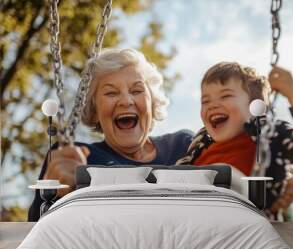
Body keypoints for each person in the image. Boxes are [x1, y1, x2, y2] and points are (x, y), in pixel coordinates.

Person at [28, 48, 194, 221]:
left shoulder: (184, 145)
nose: (126, 101)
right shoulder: (77, 158)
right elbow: (34, 229)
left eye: (137, 91)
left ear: (152, 103)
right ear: (94, 111)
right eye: (111, 93)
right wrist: (54, 193)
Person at [176, 62, 293, 218]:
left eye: (225, 96)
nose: (212, 105)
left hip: (244, 224)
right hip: (194, 221)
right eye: (205, 101)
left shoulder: (270, 135)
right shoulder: (201, 143)